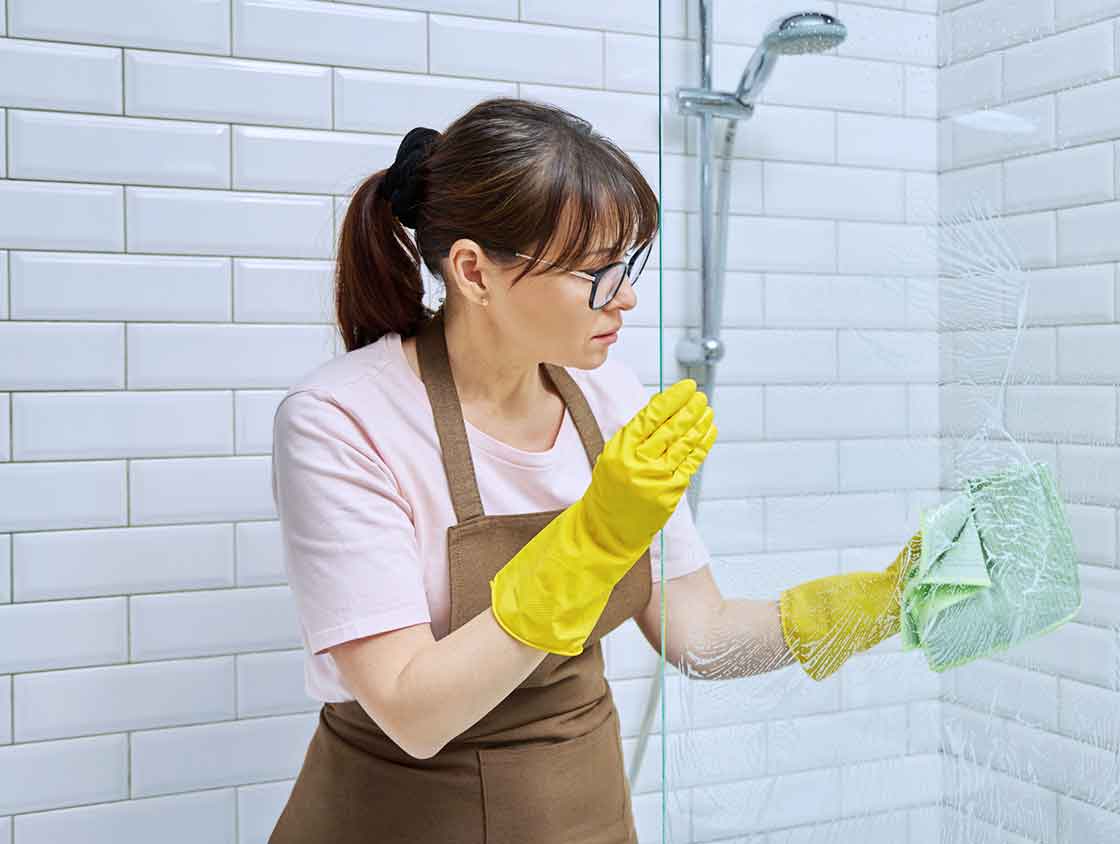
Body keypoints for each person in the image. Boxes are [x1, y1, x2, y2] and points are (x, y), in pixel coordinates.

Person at [266, 97, 921, 843]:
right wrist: (597, 539)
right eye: (597, 272)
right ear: (476, 271)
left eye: (628, 265)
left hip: (587, 816)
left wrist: (889, 601)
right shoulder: (341, 419)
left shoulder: (607, 397)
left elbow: (699, 637)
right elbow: (414, 711)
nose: (628, 297)